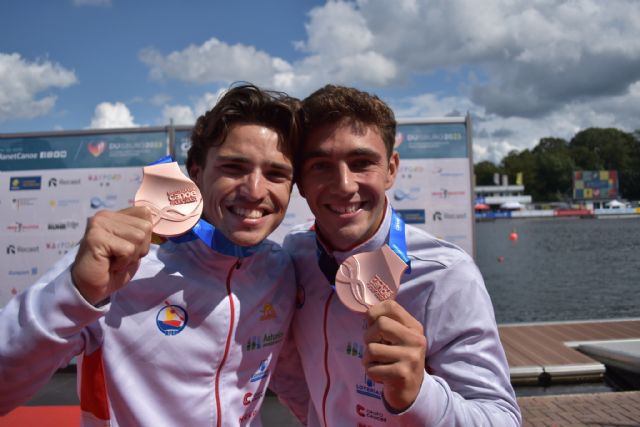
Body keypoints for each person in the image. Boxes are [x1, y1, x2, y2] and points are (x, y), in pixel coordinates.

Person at [0, 83, 301, 426]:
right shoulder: (123, 264)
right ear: (197, 175)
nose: (255, 190)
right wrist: (75, 293)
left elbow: (293, 380)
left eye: (276, 174)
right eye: (234, 167)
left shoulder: (280, 270)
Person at [271, 85, 522, 426]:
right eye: (320, 166)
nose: (344, 184)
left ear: (391, 169)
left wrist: (418, 394)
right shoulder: (296, 252)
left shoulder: (446, 276)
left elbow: (502, 419)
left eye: (361, 163)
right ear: (300, 181)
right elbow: (291, 375)